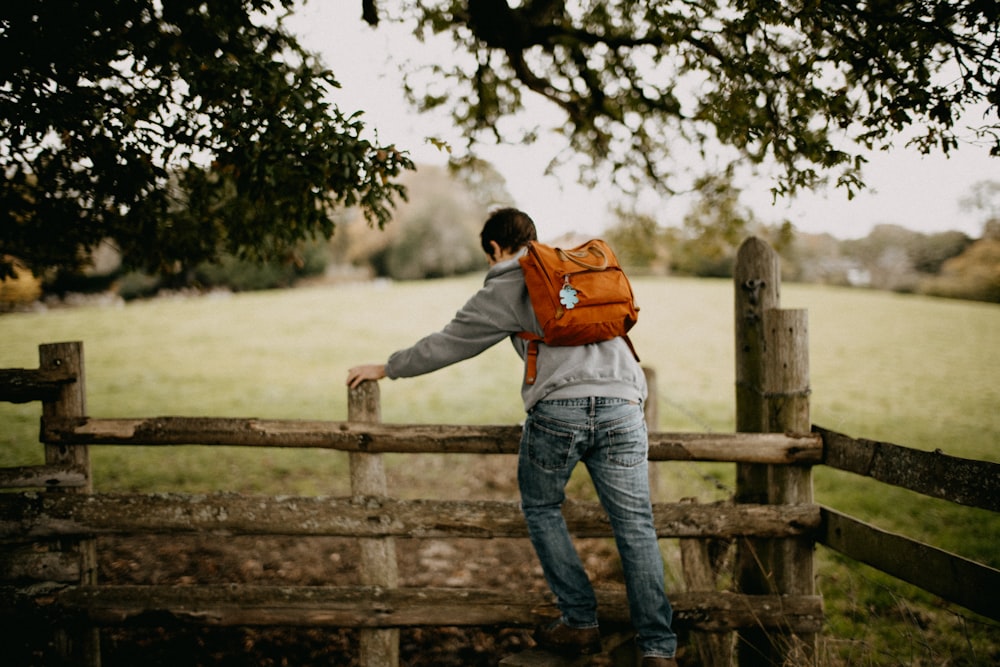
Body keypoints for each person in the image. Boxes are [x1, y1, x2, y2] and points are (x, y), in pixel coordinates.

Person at [346, 208, 678, 666]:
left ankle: (580, 621)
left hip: (561, 407)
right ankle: (659, 650)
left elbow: (448, 343)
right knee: (636, 525)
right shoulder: (575, 268)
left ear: (494, 250)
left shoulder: (505, 282)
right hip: (624, 402)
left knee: (542, 506)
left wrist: (387, 367)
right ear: (534, 239)